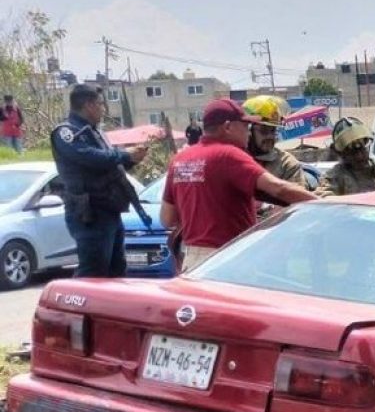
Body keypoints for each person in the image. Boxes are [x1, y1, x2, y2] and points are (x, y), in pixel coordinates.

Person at [160, 98, 318, 271]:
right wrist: (323, 204)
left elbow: (167, 219)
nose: (247, 132)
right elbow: (279, 189)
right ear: (228, 127)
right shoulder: (229, 155)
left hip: (192, 261)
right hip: (228, 258)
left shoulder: (179, 160)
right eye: (245, 126)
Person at [50, 85, 149, 277]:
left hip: (109, 209)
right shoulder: (66, 132)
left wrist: (131, 158)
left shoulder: (95, 132)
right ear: (88, 105)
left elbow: (108, 165)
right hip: (90, 213)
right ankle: (74, 307)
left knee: (116, 271)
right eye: (101, 104)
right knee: (93, 273)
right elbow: (89, 157)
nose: (103, 109)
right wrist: (123, 155)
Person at [317, 117, 375, 195]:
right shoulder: (334, 179)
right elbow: (324, 202)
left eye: (362, 148)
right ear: (341, 153)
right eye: (352, 151)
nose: (359, 156)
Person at [242, 95, 306, 185]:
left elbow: (299, 195)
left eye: (273, 130)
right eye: (263, 130)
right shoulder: (235, 160)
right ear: (248, 130)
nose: (269, 136)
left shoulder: (287, 164)